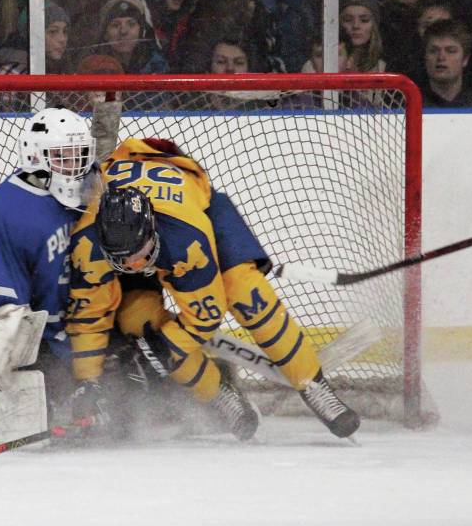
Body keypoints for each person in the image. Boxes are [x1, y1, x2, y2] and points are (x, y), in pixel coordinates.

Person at [65, 138, 362, 441]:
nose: (134, 264)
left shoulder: (186, 239)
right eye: (123, 259)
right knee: (137, 322)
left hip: (202, 212)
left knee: (247, 294)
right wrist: (89, 381)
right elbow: (87, 316)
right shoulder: (89, 244)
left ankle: (312, 384)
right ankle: (219, 391)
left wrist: (166, 346)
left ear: (151, 229)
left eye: (140, 255)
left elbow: (206, 315)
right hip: (142, 229)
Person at [0, 108, 96, 423]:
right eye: (62, 157)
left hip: (97, 328)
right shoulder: (8, 208)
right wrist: (4, 334)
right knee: (60, 409)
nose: (75, 167)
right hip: (49, 344)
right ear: (35, 157)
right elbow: (0, 302)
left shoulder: (97, 189)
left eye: (80, 156)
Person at [419, 18, 472, 106]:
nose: (441, 57)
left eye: (451, 51)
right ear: (425, 57)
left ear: (465, 59)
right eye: (433, 51)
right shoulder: (407, 104)